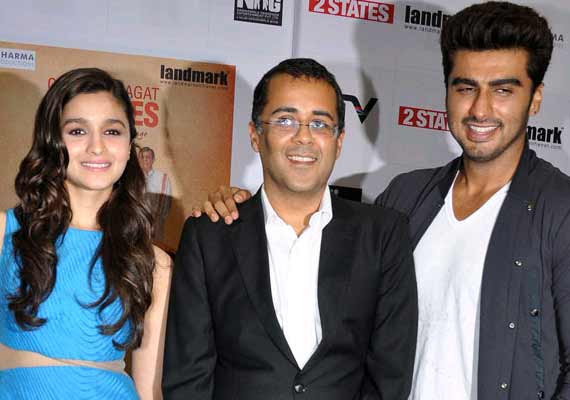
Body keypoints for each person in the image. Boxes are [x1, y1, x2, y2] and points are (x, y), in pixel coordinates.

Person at [198, 2, 569, 399]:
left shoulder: (560, 211)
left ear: (535, 98)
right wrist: (245, 211)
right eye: (465, 88)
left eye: (503, 90)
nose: (480, 109)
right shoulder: (405, 198)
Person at [162, 58, 417, 399]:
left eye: (320, 124)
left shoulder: (383, 236)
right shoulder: (209, 236)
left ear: (339, 141)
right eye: (285, 120)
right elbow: (187, 380)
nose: (304, 137)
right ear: (255, 135)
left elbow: (390, 378)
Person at [0, 68, 172, 399]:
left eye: (112, 131)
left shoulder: (153, 263)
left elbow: (149, 389)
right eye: (78, 131)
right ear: (52, 141)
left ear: (130, 144)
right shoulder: (6, 234)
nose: (97, 147)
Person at [138, 146, 172, 242]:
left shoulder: (163, 178)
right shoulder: (133, 179)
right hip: (137, 223)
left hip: (157, 224)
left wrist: (159, 220)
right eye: (142, 157)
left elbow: (167, 202)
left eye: (147, 157)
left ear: (153, 160)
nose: (145, 160)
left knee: (157, 247)